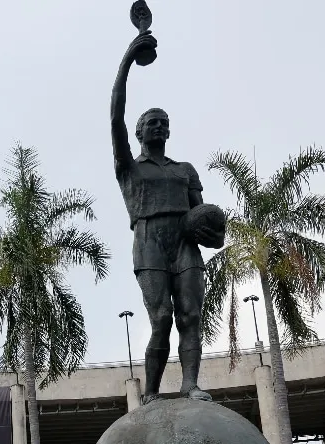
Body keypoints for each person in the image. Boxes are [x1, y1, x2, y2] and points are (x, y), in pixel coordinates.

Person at [111, 31, 223, 402]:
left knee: (190, 316)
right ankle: (153, 392)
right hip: (148, 240)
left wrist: (213, 233)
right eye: (151, 122)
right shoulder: (129, 167)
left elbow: (204, 218)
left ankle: (190, 383)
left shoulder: (185, 169)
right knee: (161, 319)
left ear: (169, 131)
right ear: (140, 132)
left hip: (185, 242)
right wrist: (128, 59)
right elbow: (115, 116)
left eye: (164, 122)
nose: (158, 126)